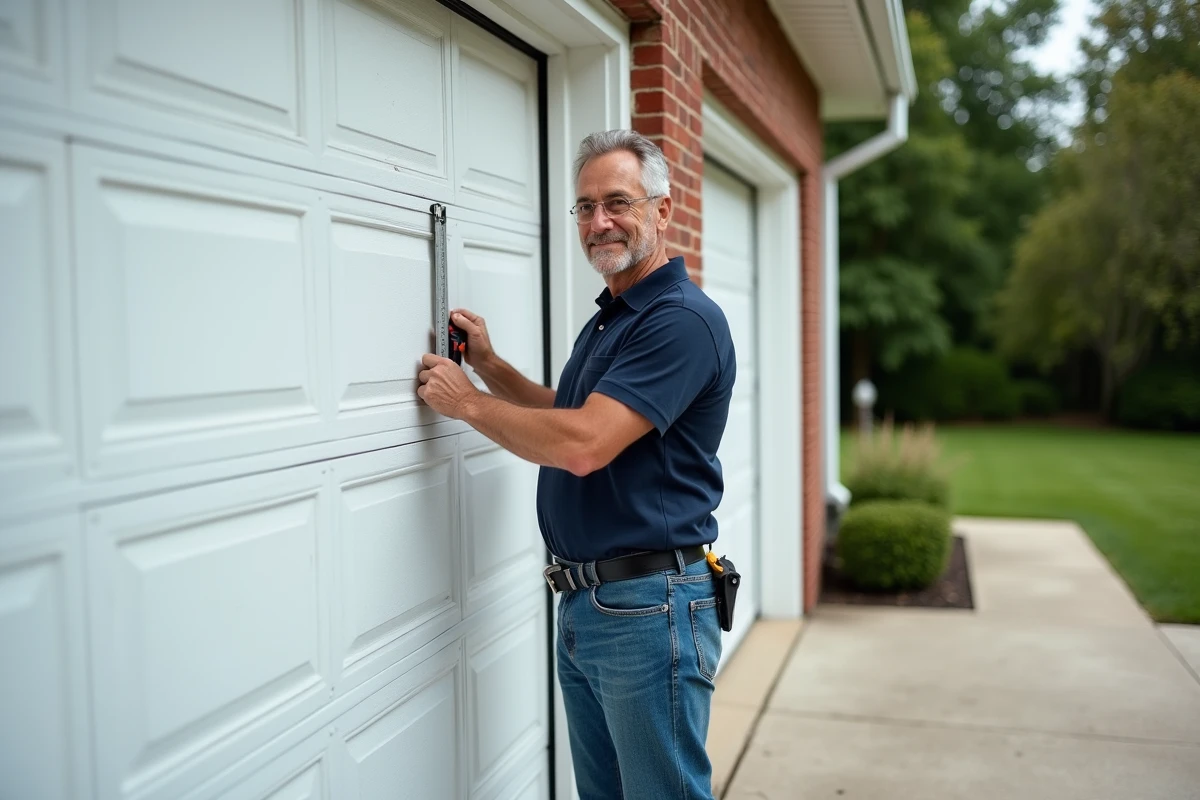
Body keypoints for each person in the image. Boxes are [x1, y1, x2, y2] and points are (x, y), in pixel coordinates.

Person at [418, 130, 735, 799]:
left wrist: (468, 404)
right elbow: (568, 413)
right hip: (595, 603)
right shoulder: (616, 317)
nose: (600, 222)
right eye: (585, 207)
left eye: (617, 202)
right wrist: (490, 366)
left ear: (661, 210)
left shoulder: (678, 321)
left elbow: (585, 444)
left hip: (649, 607)